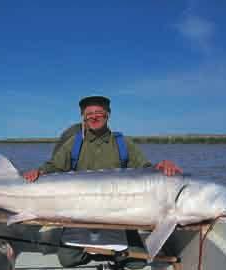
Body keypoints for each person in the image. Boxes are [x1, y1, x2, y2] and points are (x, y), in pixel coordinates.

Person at [23, 96, 183, 268]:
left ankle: (112, 251)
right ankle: (96, 250)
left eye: (99, 112)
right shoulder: (74, 143)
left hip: (120, 212)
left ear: (108, 115)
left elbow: (145, 170)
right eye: (89, 113)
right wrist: (39, 171)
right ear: (83, 117)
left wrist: (161, 166)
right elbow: (54, 166)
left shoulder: (123, 143)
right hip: (81, 210)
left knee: (137, 264)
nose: (94, 117)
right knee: (68, 260)